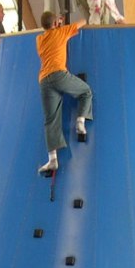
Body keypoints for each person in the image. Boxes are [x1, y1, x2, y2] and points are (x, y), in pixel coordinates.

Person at [35, 11, 92, 173]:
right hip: (59, 74)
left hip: (44, 80)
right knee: (85, 91)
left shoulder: (39, 39)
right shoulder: (62, 32)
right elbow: (83, 21)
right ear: (55, 24)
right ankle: (80, 123)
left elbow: (50, 33)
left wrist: (56, 24)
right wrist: (61, 25)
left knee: (50, 119)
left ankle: (52, 159)